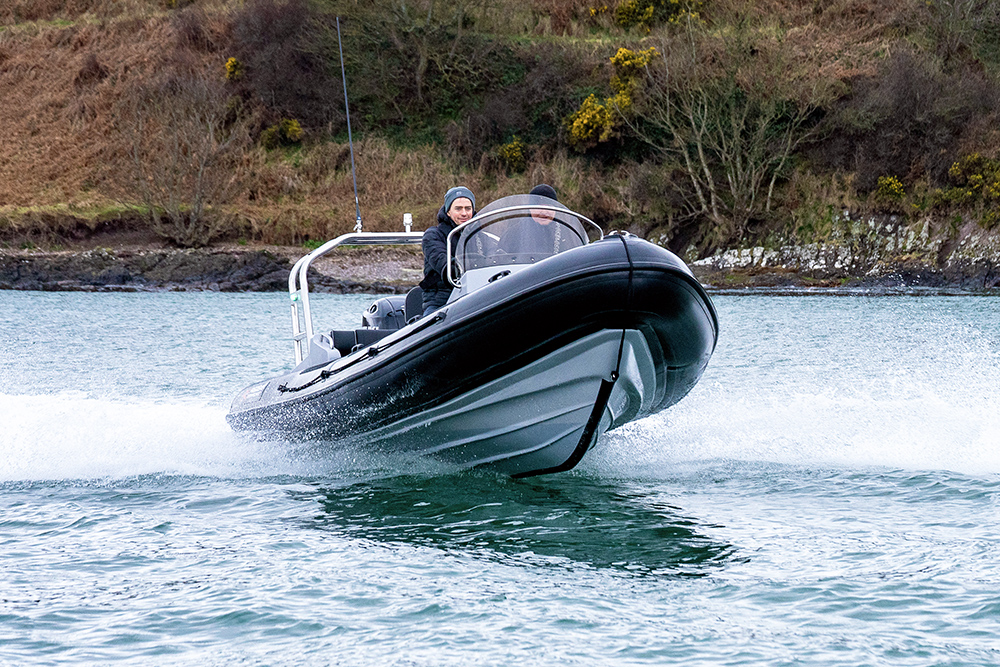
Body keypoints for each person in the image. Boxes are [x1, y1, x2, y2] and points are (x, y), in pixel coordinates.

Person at [420, 185, 475, 315]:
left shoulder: (481, 236)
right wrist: (457, 266)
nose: (464, 213)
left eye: (468, 208)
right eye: (458, 208)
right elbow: (440, 260)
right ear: (448, 211)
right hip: (441, 300)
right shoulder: (433, 235)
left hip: (476, 295)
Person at [499, 183, 568, 255]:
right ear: (530, 209)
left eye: (549, 207)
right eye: (539, 207)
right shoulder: (512, 234)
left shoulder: (567, 234)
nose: (544, 212)